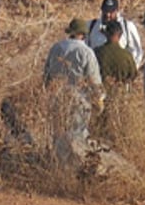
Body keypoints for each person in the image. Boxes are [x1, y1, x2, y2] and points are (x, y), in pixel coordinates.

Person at [43, 17, 103, 155]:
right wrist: (99, 99)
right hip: (78, 99)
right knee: (77, 136)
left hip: (57, 97)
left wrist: (48, 92)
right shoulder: (87, 52)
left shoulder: (56, 48)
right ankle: (75, 168)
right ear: (84, 34)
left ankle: (58, 165)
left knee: (58, 136)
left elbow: (46, 75)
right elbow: (94, 80)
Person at [86, 0, 143, 66]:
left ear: (117, 11)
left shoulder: (127, 27)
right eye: (105, 11)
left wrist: (130, 70)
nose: (108, 15)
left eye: (111, 12)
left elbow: (136, 51)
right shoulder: (91, 26)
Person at [94, 19, 137, 87]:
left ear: (105, 33)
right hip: (121, 93)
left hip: (100, 93)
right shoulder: (127, 56)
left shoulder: (96, 53)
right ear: (120, 34)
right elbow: (133, 76)